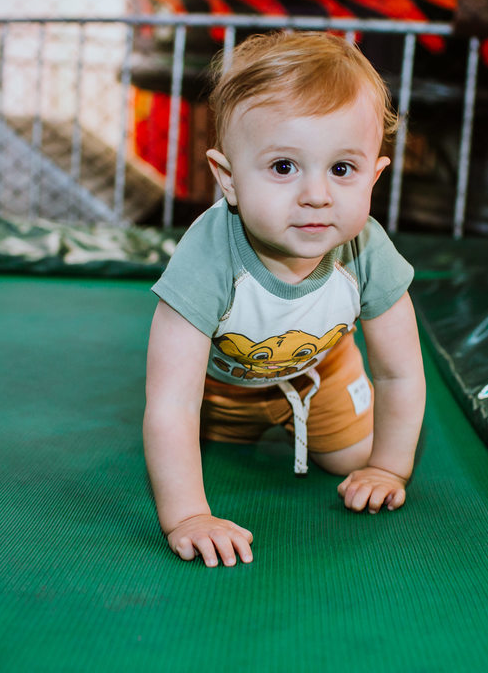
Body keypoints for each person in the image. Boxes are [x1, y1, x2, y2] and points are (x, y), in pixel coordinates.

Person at [143, 32, 426, 567]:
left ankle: (315, 419)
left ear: (375, 176)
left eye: (342, 169)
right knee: (198, 452)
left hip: (317, 375)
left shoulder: (367, 251)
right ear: (227, 179)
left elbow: (400, 373)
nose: (316, 195)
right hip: (219, 389)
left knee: (352, 460)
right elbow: (172, 402)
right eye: (283, 167)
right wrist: (188, 516)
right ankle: (238, 425)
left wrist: (389, 468)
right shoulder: (207, 259)